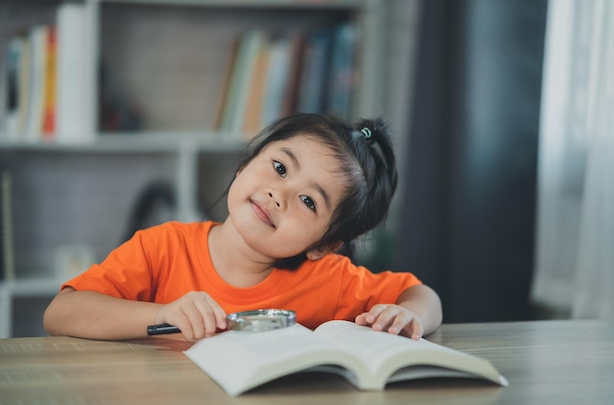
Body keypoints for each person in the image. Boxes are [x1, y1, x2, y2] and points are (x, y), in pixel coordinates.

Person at [43, 113, 442, 341]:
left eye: (308, 201)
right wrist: (163, 313)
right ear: (245, 164)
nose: (278, 195)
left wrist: (410, 316)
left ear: (324, 244)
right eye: (280, 168)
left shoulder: (330, 279)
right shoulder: (162, 247)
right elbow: (61, 313)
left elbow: (420, 294)